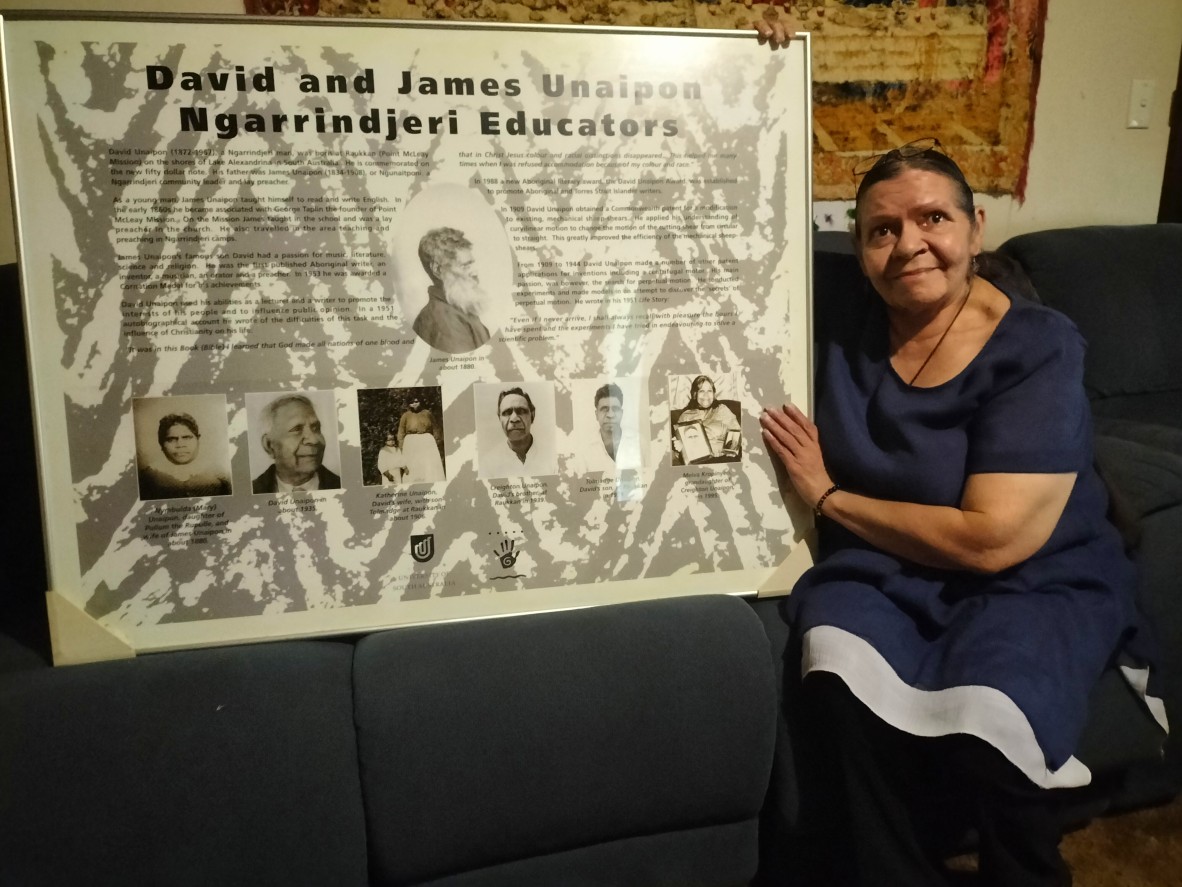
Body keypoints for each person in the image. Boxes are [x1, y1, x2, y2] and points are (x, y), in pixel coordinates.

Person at [758, 136, 1160, 886]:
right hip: (884, 562)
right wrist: (757, 51)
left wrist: (830, 496)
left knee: (995, 716)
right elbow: (742, 215)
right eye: (882, 229)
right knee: (838, 682)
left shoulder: (1038, 345)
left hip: (1032, 572)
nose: (909, 244)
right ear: (858, 246)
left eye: (933, 218)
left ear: (976, 229)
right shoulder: (842, 316)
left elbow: (992, 539)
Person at [413, 227, 491, 353]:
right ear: (438, 270)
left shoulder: (456, 309)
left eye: (471, 264)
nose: (474, 272)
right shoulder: (444, 320)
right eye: (465, 266)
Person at [252, 394, 341, 493]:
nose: (314, 440)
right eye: (297, 429)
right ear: (269, 445)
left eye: (316, 428)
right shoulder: (253, 491)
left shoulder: (340, 486)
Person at [138, 413, 231, 500]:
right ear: (161, 444)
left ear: (198, 440)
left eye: (187, 438)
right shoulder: (147, 478)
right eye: (171, 439)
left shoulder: (220, 476)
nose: (180, 445)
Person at [480, 386, 556, 478]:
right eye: (507, 413)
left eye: (521, 411)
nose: (514, 419)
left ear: (532, 415)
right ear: (499, 418)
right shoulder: (488, 465)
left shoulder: (554, 457)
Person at [671, 375, 741, 465]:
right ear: (695, 394)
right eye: (702, 391)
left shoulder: (722, 409)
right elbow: (680, 452)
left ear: (714, 394)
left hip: (724, 458)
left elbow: (736, 432)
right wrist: (680, 448)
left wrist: (732, 449)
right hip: (698, 462)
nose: (706, 395)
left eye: (709, 391)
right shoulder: (685, 416)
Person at [396, 396, 445, 482]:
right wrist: (401, 446)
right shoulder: (405, 415)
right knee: (413, 465)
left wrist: (437, 441)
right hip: (411, 443)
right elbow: (401, 432)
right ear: (409, 404)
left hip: (426, 441)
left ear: (420, 402)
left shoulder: (427, 413)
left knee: (428, 464)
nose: (414, 404)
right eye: (412, 402)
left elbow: (435, 428)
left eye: (416, 401)